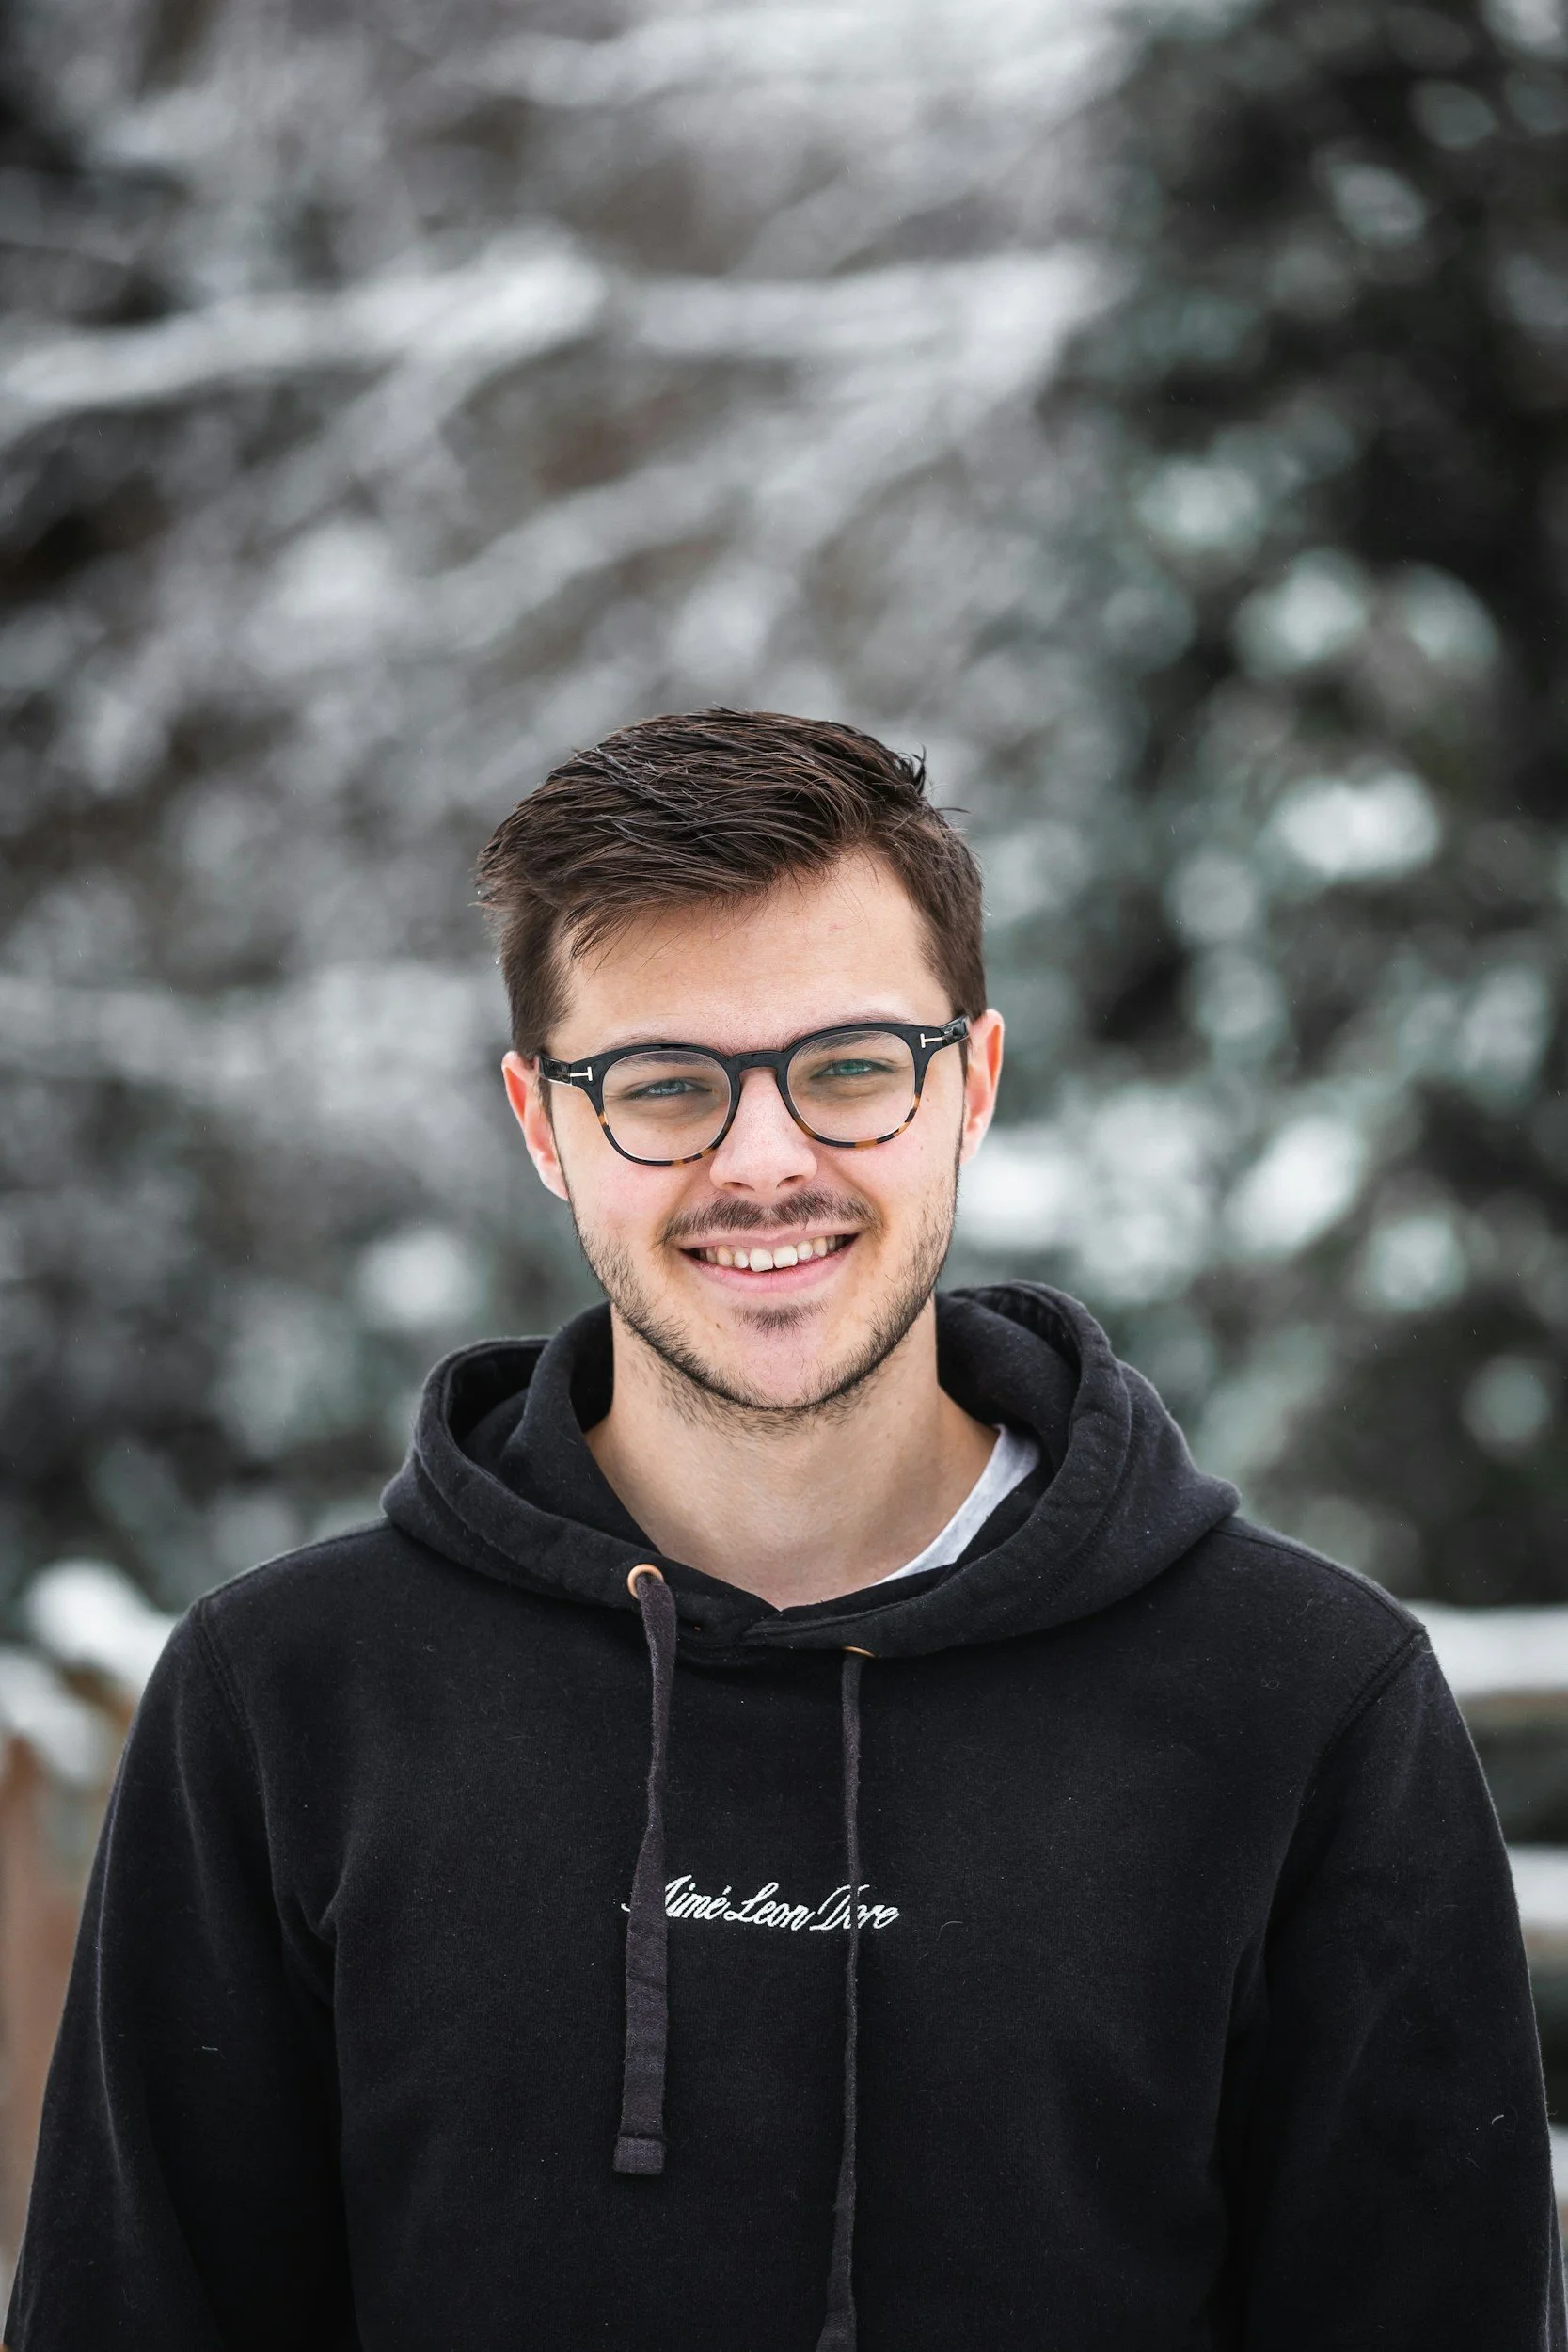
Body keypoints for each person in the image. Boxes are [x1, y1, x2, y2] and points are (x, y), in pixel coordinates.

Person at [8, 709, 1563, 2352]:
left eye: (845, 1070)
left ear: (969, 1082)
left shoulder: (1303, 1700)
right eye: (665, 1085)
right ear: (543, 1126)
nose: (766, 1163)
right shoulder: (285, 1701)